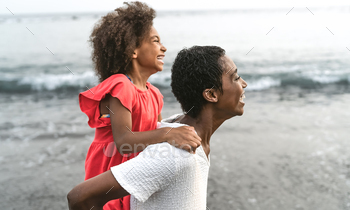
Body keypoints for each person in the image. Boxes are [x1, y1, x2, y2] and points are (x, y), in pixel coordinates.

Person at [68, 46, 248, 210]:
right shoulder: (176, 154)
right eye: (236, 77)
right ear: (211, 94)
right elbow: (80, 197)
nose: (244, 84)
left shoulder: (181, 131)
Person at [79, 2, 201, 209]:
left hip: (134, 170)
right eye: (155, 41)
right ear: (133, 50)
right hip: (109, 169)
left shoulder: (154, 93)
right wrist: (170, 133)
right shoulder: (121, 86)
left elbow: (157, 131)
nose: (163, 47)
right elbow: (124, 140)